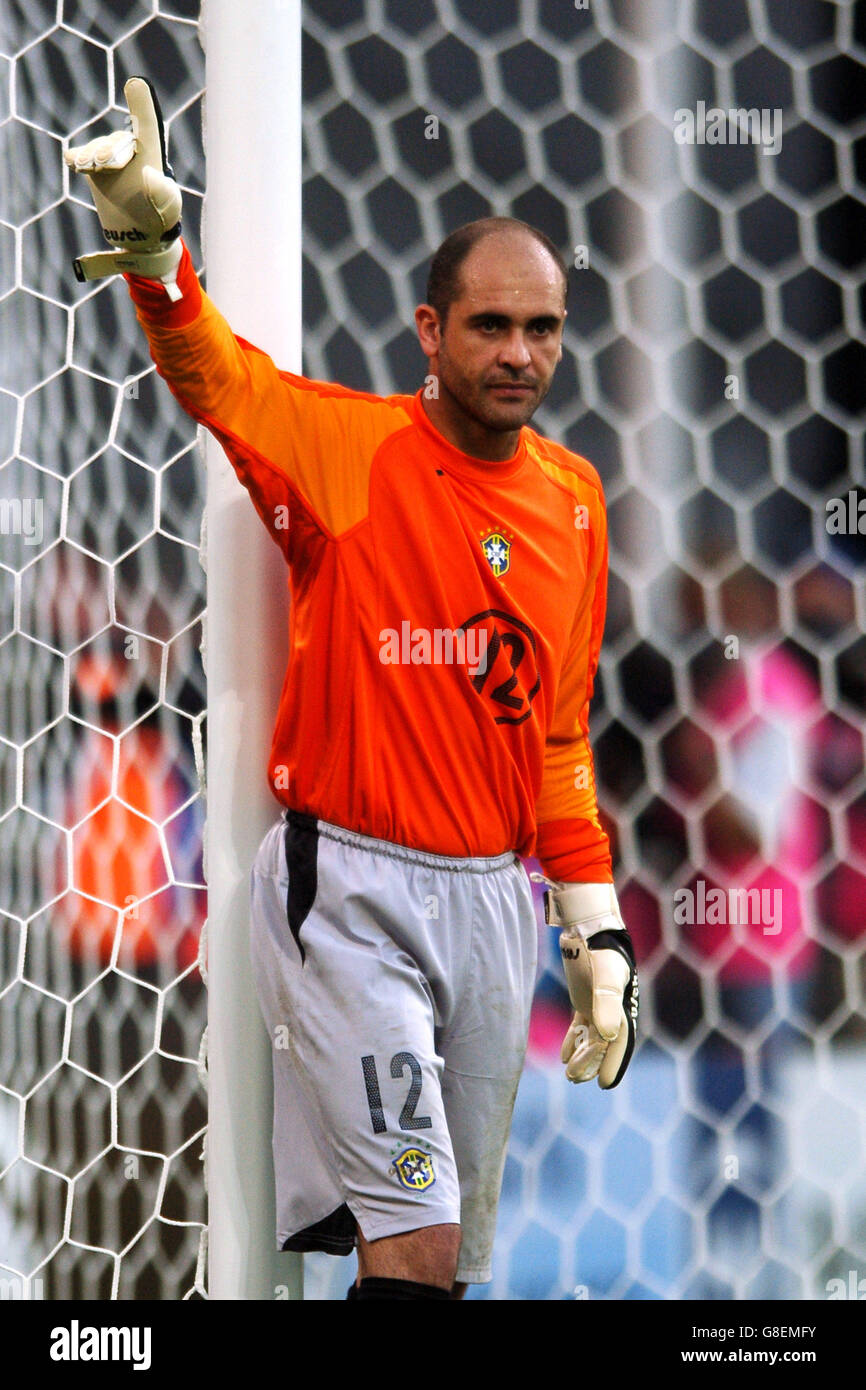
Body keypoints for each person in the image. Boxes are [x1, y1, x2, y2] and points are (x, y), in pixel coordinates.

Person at [64, 76, 639, 1300]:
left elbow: (557, 732)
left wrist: (593, 931)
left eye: (542, 328)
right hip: (353, 887)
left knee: (446, 1265)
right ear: (430, 332)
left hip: (496, 903)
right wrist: (161, 261)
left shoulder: (575, 501)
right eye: (490, 326)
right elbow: (217, 378)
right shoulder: (348, 448)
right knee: (417, 1242)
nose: (519, 354)